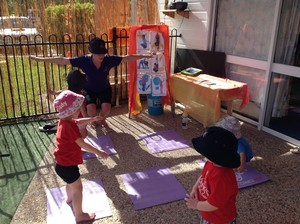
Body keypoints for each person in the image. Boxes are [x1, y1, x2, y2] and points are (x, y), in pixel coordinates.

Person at [31, 37, 153, 128]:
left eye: (103, 53)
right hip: (89, 89)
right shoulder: (84, 61)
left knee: (106, 109)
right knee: (91, 110)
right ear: (92, 53)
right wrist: (42, 59)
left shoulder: (108, 60)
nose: (101, 55)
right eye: (98, 53)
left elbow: (127, 58)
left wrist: (145, 56)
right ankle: (94, 120)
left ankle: (101, 118)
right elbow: (63, 60)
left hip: (104, 88)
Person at [53, 90, 109, 223]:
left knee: (71, 184)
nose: (79, 110)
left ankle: (69, 199)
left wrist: (92, 119)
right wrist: (99, 152)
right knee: (78, 188)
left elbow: (78, 121)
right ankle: (80, 215)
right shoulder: (69, 127)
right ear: (70, 110)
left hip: (60, 163)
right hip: (67, 165)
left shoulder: (64, 121)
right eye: (77, 108)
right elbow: (82, 144)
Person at [185, 127, 240, 224]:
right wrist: (195, 187)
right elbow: (203, 176)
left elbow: (214, 204)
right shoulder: (211, 163)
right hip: (208, 214)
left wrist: (196, 205)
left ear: (215, 155)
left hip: (220, 219)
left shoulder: (222, 178)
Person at [39, 70, 89, 137]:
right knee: (83, 135)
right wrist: (87, 120)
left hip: (71, 119)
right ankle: (80, 143)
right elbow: (84, 113)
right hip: (79, 120)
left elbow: (62, 91)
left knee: (76, 134)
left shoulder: (68, 92)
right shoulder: (79, 97)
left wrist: (54, 93)